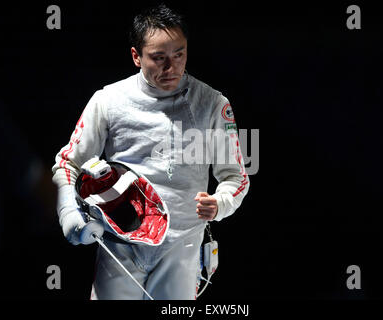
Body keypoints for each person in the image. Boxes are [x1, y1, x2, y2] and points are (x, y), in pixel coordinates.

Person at [52, 4, 249, 300]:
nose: (171, 67)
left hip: (181, 246)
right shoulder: (108, 101)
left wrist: (220, 202)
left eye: (179, 54)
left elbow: (237, 177)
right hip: (120, 243)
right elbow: (68, 164)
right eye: (159, 58)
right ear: (136, 56)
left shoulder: (212, 103)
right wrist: (69, 212)